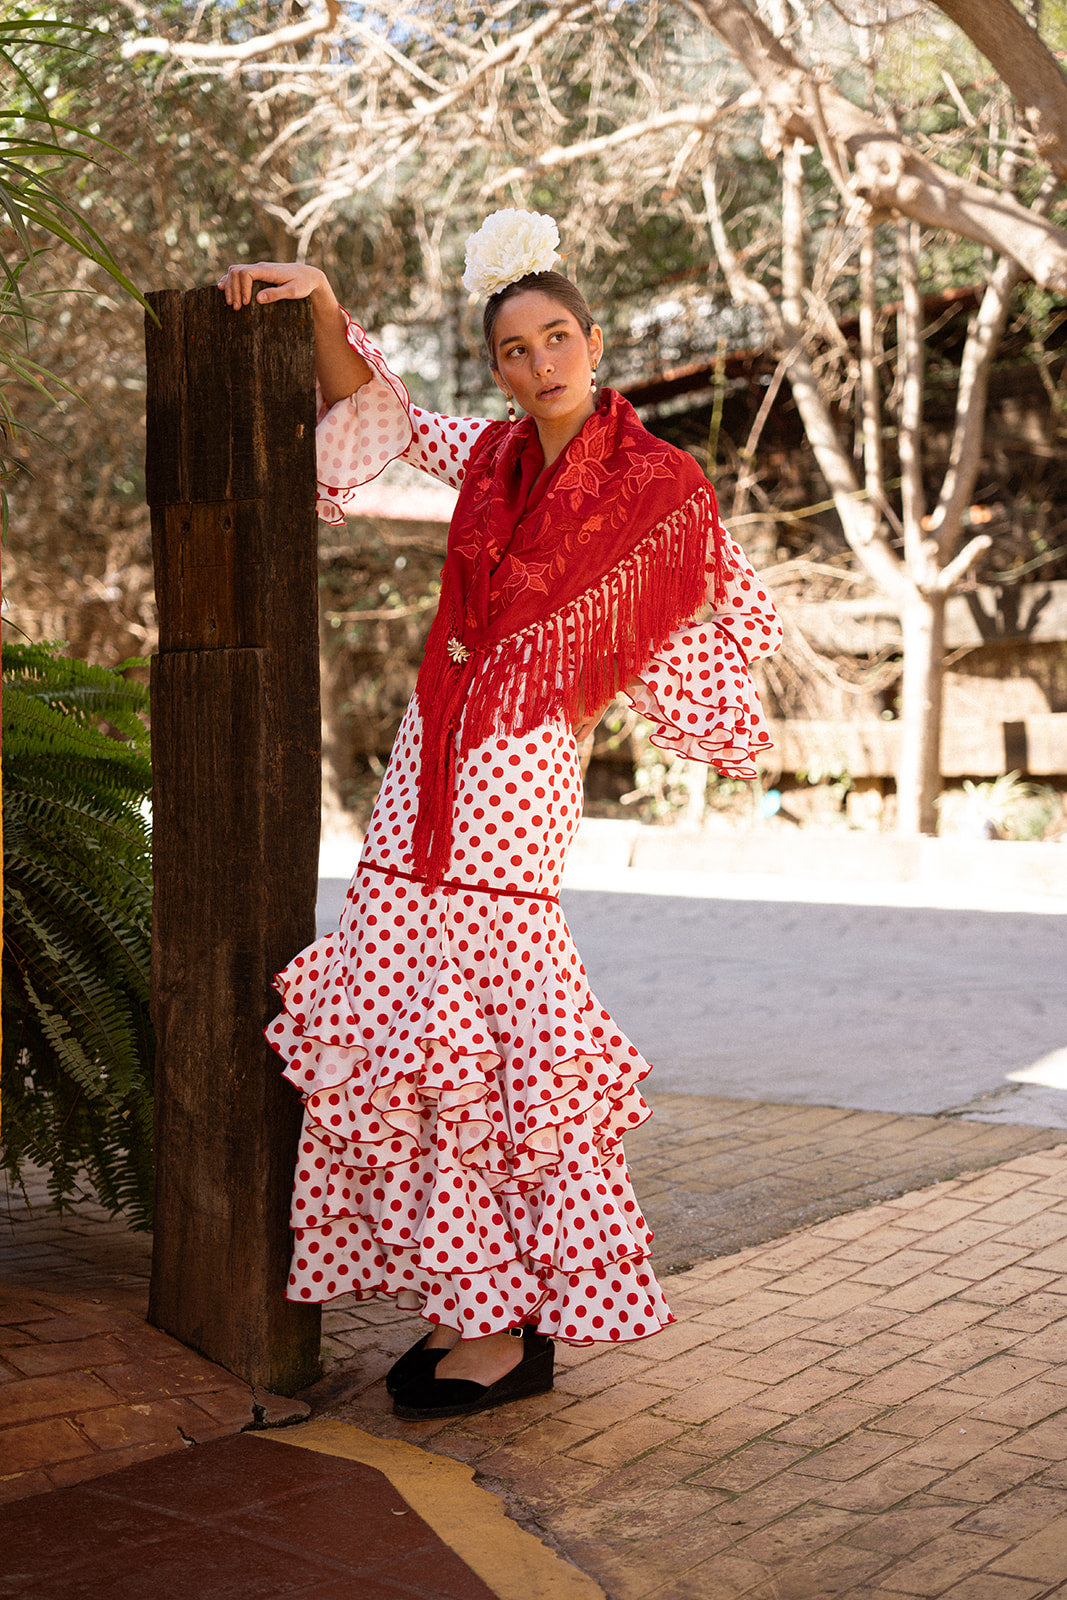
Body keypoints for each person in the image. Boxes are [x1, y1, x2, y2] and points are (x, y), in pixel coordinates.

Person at [218, 210, 783, 1422]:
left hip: (521, 769)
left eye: (556, 338)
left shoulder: (657, 481)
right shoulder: (484, 457)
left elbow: (724, 602)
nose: (539, 364)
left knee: (492, 1045)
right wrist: (321, 300)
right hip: (425, 757)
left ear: (593, 339)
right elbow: (388, 416)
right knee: (398, 1023)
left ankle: (512, 1321)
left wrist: (675, 692)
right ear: (498, 368)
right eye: (514, 350)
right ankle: (462, 1310)